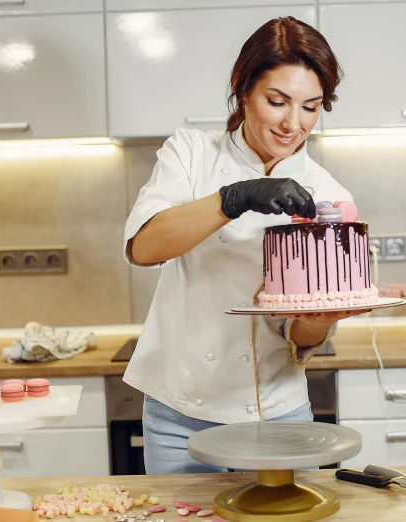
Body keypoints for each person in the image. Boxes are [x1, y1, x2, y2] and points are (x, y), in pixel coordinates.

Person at [123, 16, 369, 474]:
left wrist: (320, 322)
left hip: (279, 414)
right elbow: (145, 247)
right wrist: (233, 198)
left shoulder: (328, 195)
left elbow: (300, 336)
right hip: (180, 411)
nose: (293, 124)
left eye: (311, 107)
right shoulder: (191, 153)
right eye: (277, 101)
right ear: (242, 87)